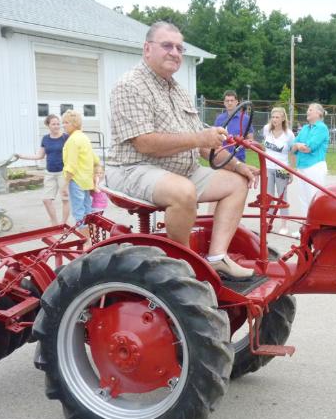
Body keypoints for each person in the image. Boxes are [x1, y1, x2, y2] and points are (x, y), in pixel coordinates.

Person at [107, 21, 259, 280]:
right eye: (167, 45)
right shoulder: (130, 85)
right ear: (147, 49)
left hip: (182, 171)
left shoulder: (179, 91)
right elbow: (145, 143)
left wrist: (238, 166)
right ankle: (184, 265)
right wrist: (200, 137)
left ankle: (217, 257)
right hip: (134, 169)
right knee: (183, 191)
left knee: (237, 182)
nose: (175, 53)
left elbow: (203, 145)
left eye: (179, 47)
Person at [16, 114, 69, 225]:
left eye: (58, 124)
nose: (56, 126)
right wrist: (22, 156)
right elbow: (39, 156)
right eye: (53, 124)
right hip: (50, 173)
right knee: (46, 199)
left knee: (65, 199)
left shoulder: (65, 137)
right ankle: (54, 223)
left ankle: (63, 224)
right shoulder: (45, 138)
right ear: (48, 125)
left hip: (63, 173)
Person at [60, 109, 100, 236]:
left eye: (66, 122)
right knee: (88, 210)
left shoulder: (72, 140)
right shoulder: (84, 138)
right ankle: (92, 239)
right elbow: (95, 159)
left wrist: (65, 184)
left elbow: (71, 165)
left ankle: (86, 241)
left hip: (76, 180)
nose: (63, 125)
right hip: (86, 180)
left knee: (79, 212)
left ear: (74, 123)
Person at [291, 103, 330, 220]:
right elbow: (292, 148)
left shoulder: (321, 128)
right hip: (301, 167)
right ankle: (305, 227)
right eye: (308, 110)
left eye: (310, 110)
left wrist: (297, 146)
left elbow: (308, 148)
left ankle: (316, 226)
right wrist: (297, 145)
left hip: (314, 167)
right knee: (303, 198)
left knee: (314, 197)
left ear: (319, 113)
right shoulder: (305, 128)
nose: (307, 112)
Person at [263, 107, 295, 235]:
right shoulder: (267, 129)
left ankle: (284, 224)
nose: (275, 119)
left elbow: (292, 153)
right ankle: (268, 222)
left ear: (283, 118)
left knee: (282, 196)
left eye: (277, 117)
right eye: (273, 117)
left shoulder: (289, 134)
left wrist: (291, 171)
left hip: (282, 168)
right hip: (268, 167)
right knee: (268, 196)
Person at [214, 90, 254, 163]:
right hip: (222, 159)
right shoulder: (219, 119)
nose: (230, 103)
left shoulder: (245, 119)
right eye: (227, 101)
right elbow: (215, 139)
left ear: (236, 102)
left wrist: (242, 144)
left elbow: (250, 140)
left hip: (239, 160)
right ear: (224, 103)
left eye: (232, 100)